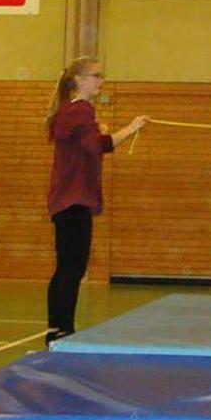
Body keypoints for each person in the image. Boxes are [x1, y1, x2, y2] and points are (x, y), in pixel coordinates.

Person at [45, 57, 146, 345]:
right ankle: (62, 327)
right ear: (79, 80)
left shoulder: (71, 111)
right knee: (72, 267)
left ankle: (57, 326)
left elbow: (84, 141)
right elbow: (97, 146)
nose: (101, 81)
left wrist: (96, 128)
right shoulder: (81, 110)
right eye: (96, 76)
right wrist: (131, 128)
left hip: (66, 200)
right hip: (74, 200)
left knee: (67, 266)